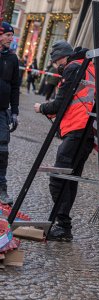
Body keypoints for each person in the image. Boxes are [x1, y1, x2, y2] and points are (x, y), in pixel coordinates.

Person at [34, 40, 95, 241]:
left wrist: (41, 108)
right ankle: (64, 226)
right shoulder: (89, 67)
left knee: (58, 178)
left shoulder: (71, 68)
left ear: (61, 59)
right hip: (87, 131)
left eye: (54, 63)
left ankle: (63, 225)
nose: (55, 67)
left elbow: (61, 102)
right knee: (70, 178)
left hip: (77, 128)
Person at [0, 22, 19, 205]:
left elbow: (15, 87)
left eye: (12, 35)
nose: (11, 38)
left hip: (2, 111)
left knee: (2, 150)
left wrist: (15, 112)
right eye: (8, 35)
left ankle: (1, 188)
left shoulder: (12, 59)